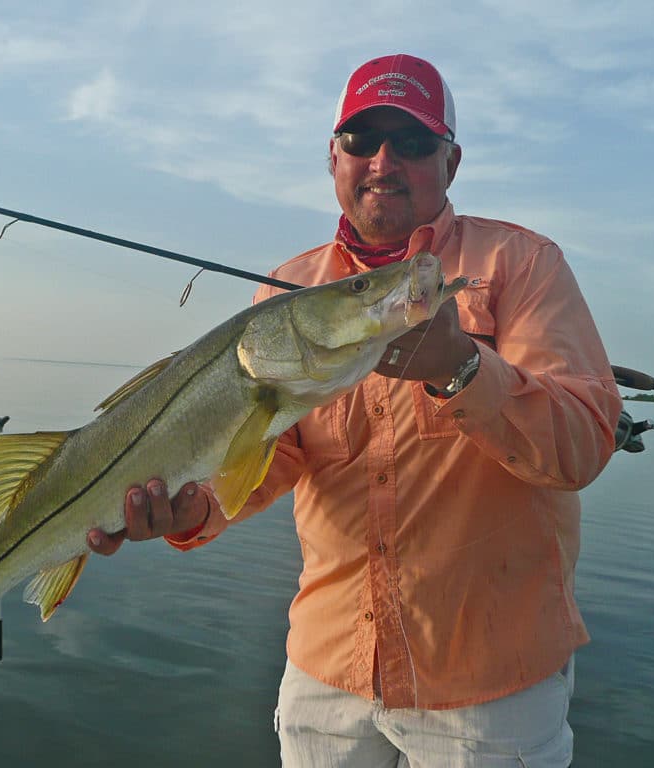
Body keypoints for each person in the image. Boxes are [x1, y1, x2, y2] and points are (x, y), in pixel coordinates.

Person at [88, 53, 622, 767]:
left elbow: (582, 446)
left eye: (411, 143)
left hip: (491, 690)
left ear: (451, 163)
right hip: (326, 675)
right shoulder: (286, 290)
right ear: (332, 158)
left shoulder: (522, 267)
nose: (382, 160)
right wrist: (193, 510)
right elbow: (273, 451)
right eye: (360, 141)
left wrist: (463, 368)